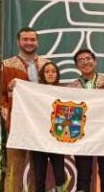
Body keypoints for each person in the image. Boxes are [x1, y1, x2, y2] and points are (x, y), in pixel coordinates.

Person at [0, 27, 47, 192]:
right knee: (14, 168)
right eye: (25, 39)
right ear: (18, 42)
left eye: (32, 39)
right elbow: (1, 94)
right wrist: (5, 108)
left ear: (37, 42)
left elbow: (55, 91)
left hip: (41, 124)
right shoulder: (6, 65)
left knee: (38, 170)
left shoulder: (47, 64)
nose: (29, 43)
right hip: (17, 123)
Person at [67, 48, 104, 192]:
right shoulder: (71, 88)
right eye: (81, 60)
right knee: (83, 176)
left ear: (95, 61)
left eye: (88, 59)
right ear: (77, 66)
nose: (85, 62)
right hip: (82, 136)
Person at [31, 61, 66, 192]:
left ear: (57, 74)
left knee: (60, 177)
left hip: (57, 140)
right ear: (42, 74)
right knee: (39, 178)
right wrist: (13, 87)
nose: (50, 74)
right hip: (38, 140)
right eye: (47, 71)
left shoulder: (65, 92)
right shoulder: (35, 91)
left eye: (53, 71)